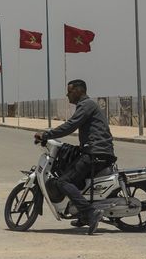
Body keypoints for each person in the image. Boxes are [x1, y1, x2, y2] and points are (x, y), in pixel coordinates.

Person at [34, 79, 115, 235]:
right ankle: (81, 215)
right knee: (75, 178)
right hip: (97, 151)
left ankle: (90, 213)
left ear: (79, 91)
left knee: (63, 181)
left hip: (95, 153)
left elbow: (70, 126)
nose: (67, 94)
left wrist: (46, 134)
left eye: (70, 91)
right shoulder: (86, 105)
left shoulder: (86, 105)